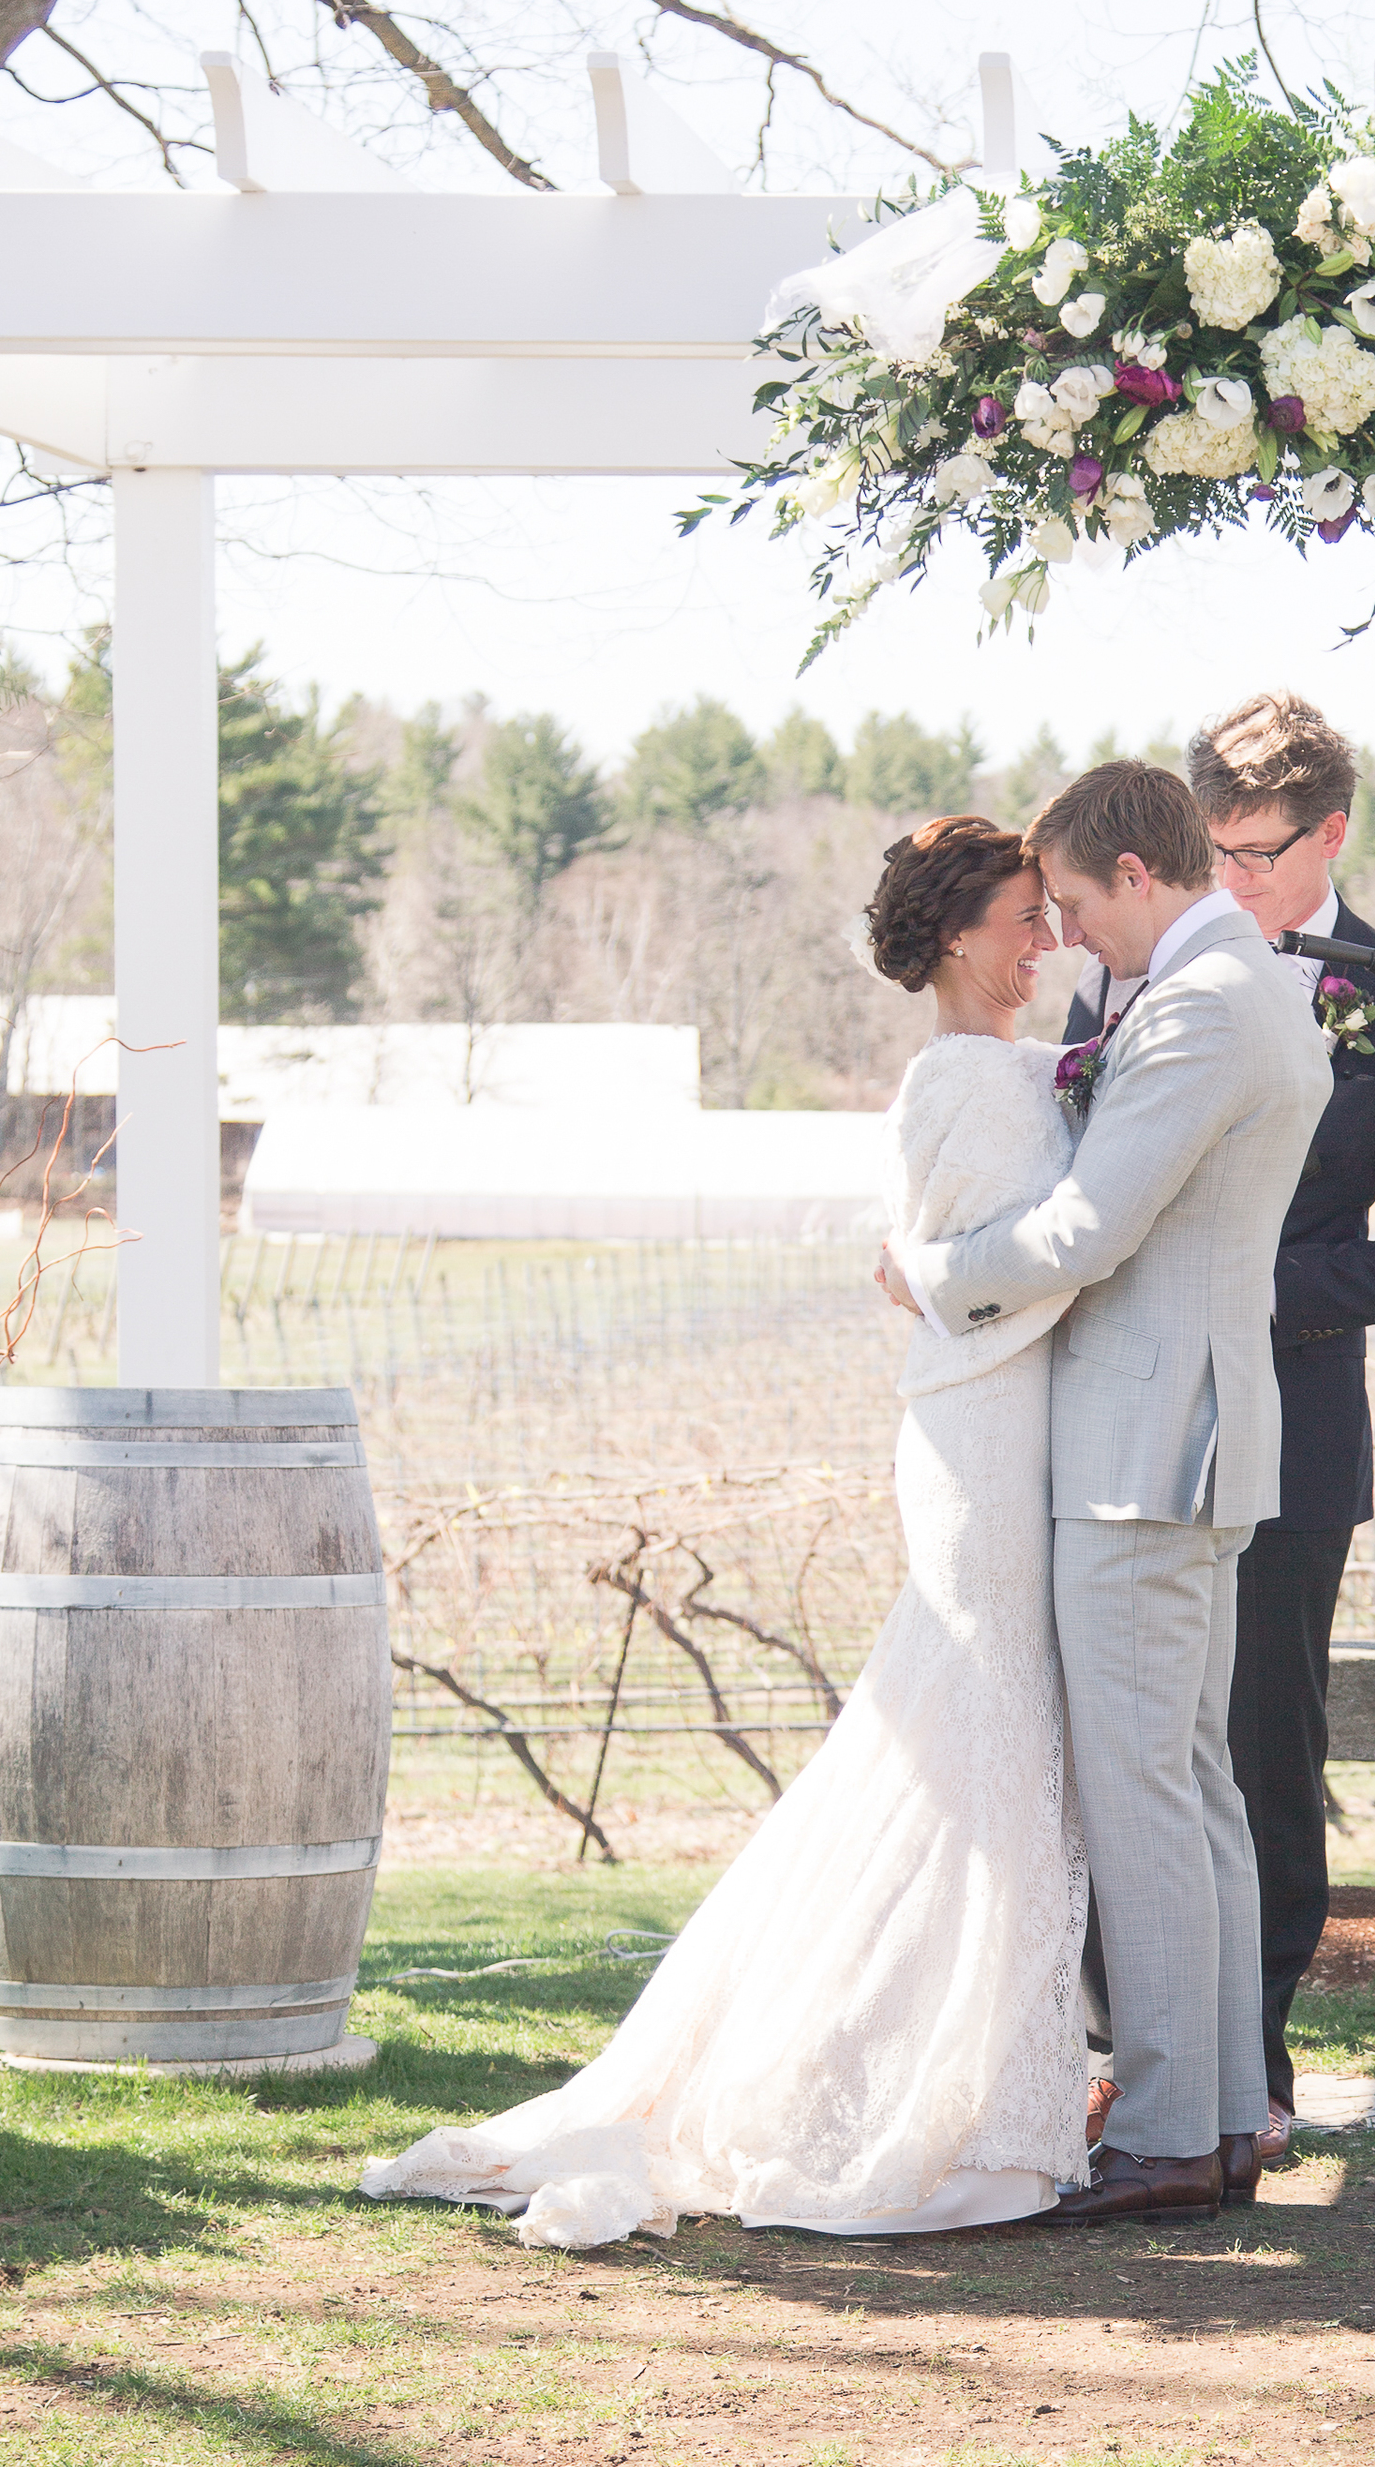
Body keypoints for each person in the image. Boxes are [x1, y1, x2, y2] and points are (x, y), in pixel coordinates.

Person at [361, 813, 1089, 2248]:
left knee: (964, 1746)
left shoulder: (1006, 1071)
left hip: (1002, 1428)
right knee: (985, 1744)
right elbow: (1023, 1271)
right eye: (1023, 913)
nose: (1045, 937)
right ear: (959, 935)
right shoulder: (972, 1083)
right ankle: (946, 2092)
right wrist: (988, 1266)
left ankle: (965, 2071)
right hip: (987, 1435)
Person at [884, 758, 1333, 2225]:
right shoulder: (1251, 981)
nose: (1068, 935)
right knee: (1195, 1792)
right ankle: (1209, 2118)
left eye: (1073, 902)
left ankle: (1162, 2132)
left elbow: (1085, 1225)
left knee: (1149, 1794)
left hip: (1146, 1454)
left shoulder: (1204, 1003)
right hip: (1196, 1439)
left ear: (1139, 876)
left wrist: (932, 1277)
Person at [1062, 696, 1375, 2159]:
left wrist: (1260, 1289)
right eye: (1212, 851)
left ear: (1333, 834)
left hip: (1293, 1427)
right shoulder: (1130, 981)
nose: (1230, 884)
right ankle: (1133, 2048)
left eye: (1257, 854)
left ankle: (1256, 2063)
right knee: (1123, 1741)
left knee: (1257, 1749)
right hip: (1123, 1430)